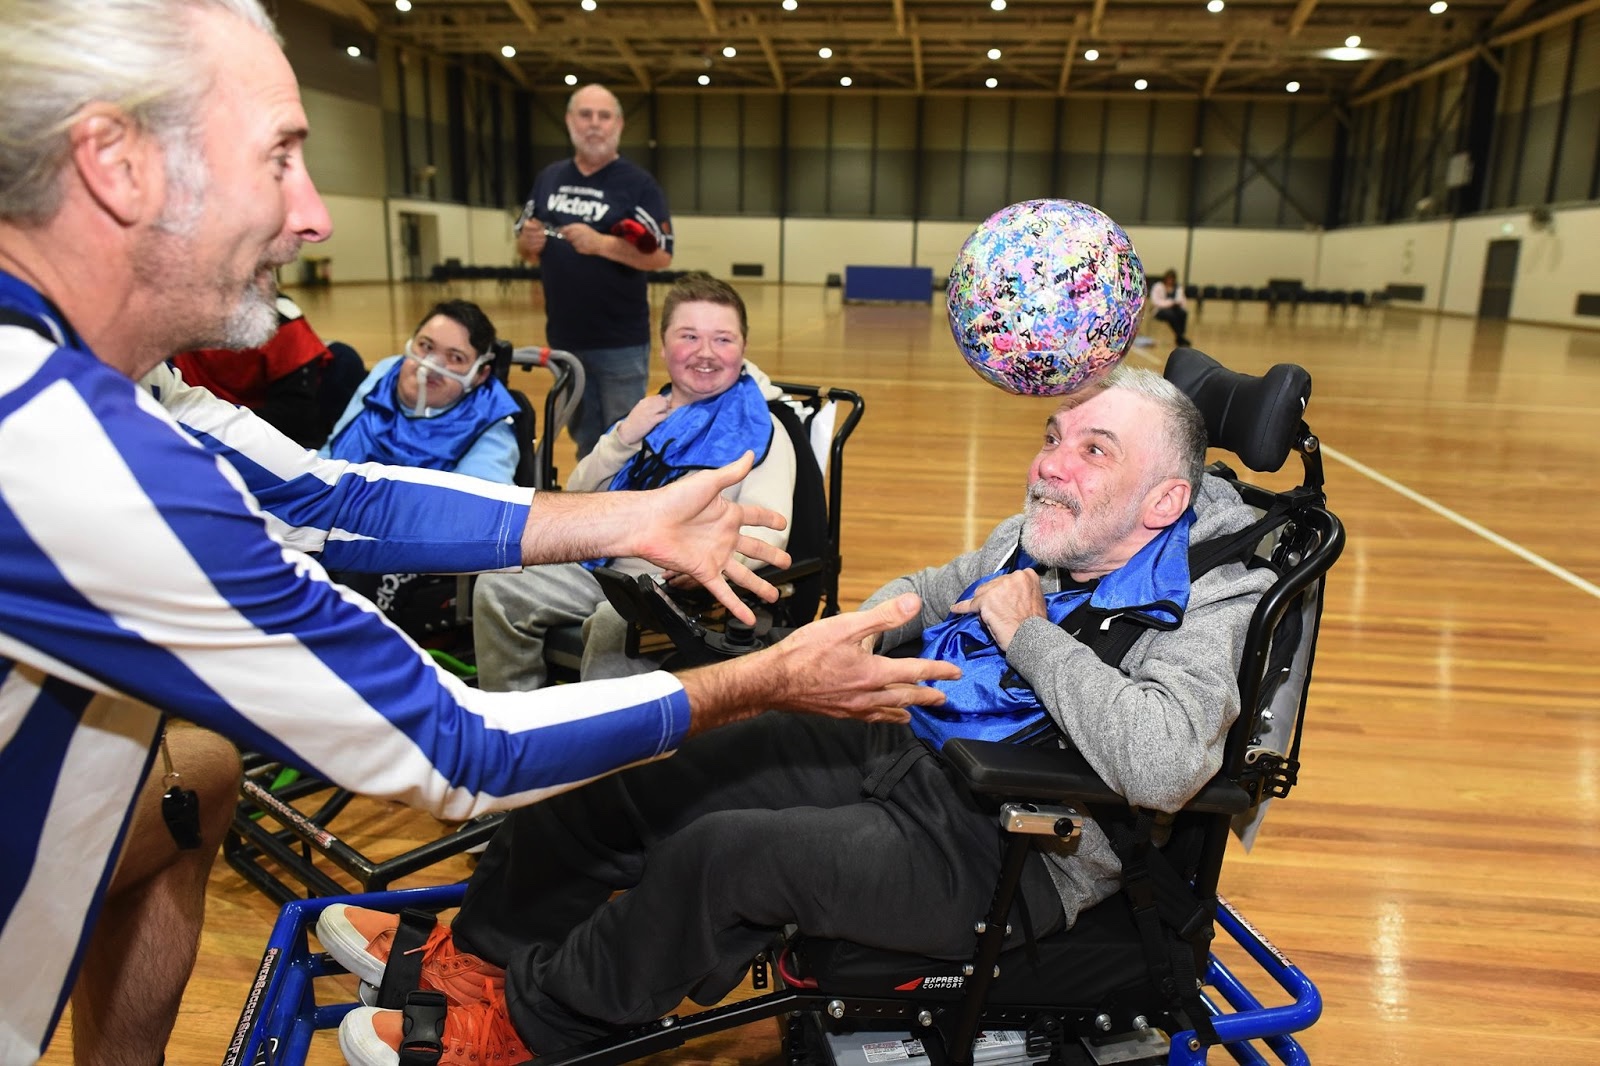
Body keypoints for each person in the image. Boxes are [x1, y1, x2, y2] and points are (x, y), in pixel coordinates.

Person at [0, 4, 956, 1064]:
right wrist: (765, 677)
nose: (314, 214)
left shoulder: (120, 385)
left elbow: (338, 500)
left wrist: (631, 515)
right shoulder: (68, 451)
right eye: (279, 158)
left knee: (200, 777)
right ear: (114, 165)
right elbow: (462, 747)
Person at [327, 367, 1281, 1066]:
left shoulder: (1220, 595)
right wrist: (860, 636)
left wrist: (1030, 636)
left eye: (1091, 450)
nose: (1050, 467)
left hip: (1012, 841)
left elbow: (1164, 764)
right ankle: (481, 952)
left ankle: (531, 1028)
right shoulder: (1049, 532)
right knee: (656, 754)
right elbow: (929, 587)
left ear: (1164, 500)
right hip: (911, 739)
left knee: (729, 854)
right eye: (1054, 437)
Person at [473, 272, 796, 690]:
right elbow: (575, 493)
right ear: (662, 347)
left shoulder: (762, 429)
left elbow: (769, 534)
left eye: (723, 339)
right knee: (497, 587)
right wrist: (624, 438)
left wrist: (710, 558)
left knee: (616, 626)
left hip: (681, 584)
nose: (705, 353)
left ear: (743, 348)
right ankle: (515, 732)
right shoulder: (650, 414)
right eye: (689, 337)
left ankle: (605, 750)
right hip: (604, 565)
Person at [514, 83, 673, 459]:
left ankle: (620, 511)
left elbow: (663, 255)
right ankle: (591, 508)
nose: (594, 124)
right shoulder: (549, 178)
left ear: (618, 124)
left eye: (604, 116)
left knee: (625, 440)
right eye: (585, 115)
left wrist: (601, 244)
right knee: (584, 439)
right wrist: (528, 244)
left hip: (621, 342)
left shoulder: (638, 185)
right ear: (570, 121)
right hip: (566, 338)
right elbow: (525, 243)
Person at [321, 299, 520, 484]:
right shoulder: (386, 374)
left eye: (455, 358)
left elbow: (480, 509)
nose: (431, 366)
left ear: (480, 375)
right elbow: (330, 452)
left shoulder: (489, 422)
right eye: (426, 346)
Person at [172, 293, 365, 446]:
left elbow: (297, 417)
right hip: (221, 419)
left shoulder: (279, 318)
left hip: (291, 422)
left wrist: (216, 423)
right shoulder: (169, 321)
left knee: (345, 360)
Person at [1149, 268, 1192, 348]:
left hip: (1175, 309)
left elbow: (1182, 300)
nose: (1170, 281)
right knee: (1171, 315)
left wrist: (1176, 304)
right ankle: (1180, 337)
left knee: (1183, 313)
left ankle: (1180, 336)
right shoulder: (1158, 286)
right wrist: (1169, 303)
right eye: (1169, 278)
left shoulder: (1178, 288)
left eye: (1172, 279)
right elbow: (1155, 301)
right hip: (1160, 310)